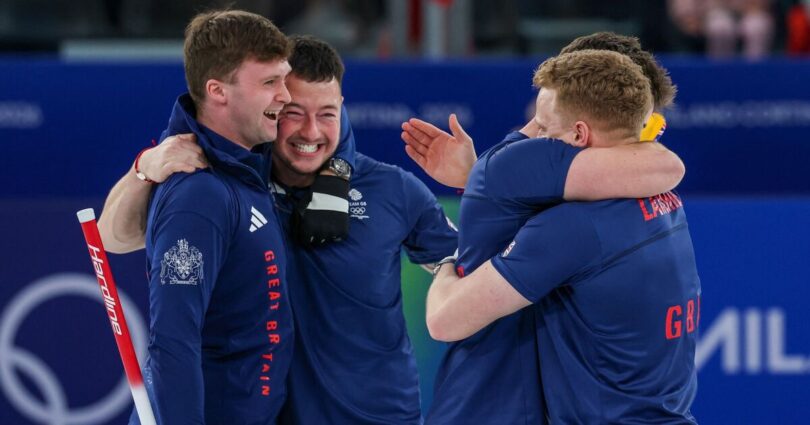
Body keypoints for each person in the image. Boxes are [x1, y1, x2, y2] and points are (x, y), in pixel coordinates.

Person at [100, 33, 458, 424]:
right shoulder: (230, 183)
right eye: (294, 113)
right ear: (273, 107)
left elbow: (468, 266)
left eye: (327, 114)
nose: (311, 132)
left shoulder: (393, 188)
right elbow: (111, 238)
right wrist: (143, 168)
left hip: (381, 418)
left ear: (342, 109)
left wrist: (471, 183)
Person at [401, 33, 686, 424]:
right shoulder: (666, 202)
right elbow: (667, 165)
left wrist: (446, 261)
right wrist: (479, 183)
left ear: (579, 132)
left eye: (544, 129)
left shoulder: (565, 216)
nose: (533, 135)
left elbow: (444, 319)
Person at [99, 10, 348, 424]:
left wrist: (337, 172)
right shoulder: (199, 193)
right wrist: (142, 168)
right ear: (217, 91)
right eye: (269, 83)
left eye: (284, 79)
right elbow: (173, 341)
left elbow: (333, 109)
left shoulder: (250, 157)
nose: (285, 96)